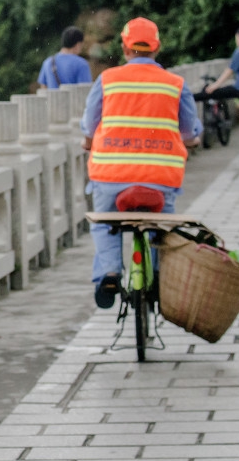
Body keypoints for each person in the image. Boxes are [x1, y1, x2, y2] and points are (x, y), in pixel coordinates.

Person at [81, 17, 201, 309]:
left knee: (104, 223)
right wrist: (191, 139)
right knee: (161, 227)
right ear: (157, 47)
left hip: (111, 176)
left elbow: (88, 125)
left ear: (125, 47)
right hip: (160, 177)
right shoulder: (175, 84)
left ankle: (109, 272)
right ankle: (159, 275)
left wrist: (89, 141)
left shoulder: (108, 80)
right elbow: (190, 131)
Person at [192, 26, 239, 160]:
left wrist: (214, 86)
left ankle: (189, 98)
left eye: (237, 38)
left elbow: (229, 71)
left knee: (211, 93)